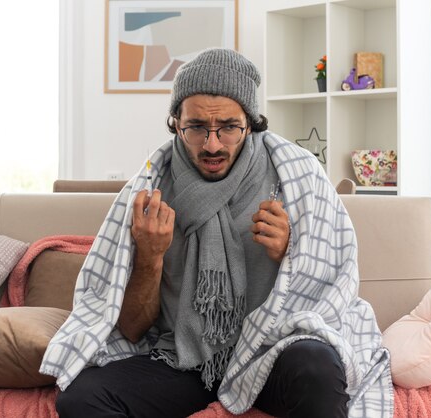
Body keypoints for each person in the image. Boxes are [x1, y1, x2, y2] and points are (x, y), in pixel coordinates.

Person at [42, 48, 392, 418]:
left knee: (317, 365)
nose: (212, 144)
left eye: (228, 127)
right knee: (82, 398)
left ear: (252, 122)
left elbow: (331, 294)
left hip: (268, 354)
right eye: (196, 128)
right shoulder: (149, 189)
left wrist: (293, 253)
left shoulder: (296, 176)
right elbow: (129, 328)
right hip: (181, 363)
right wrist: (150, 256)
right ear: (176, 122)